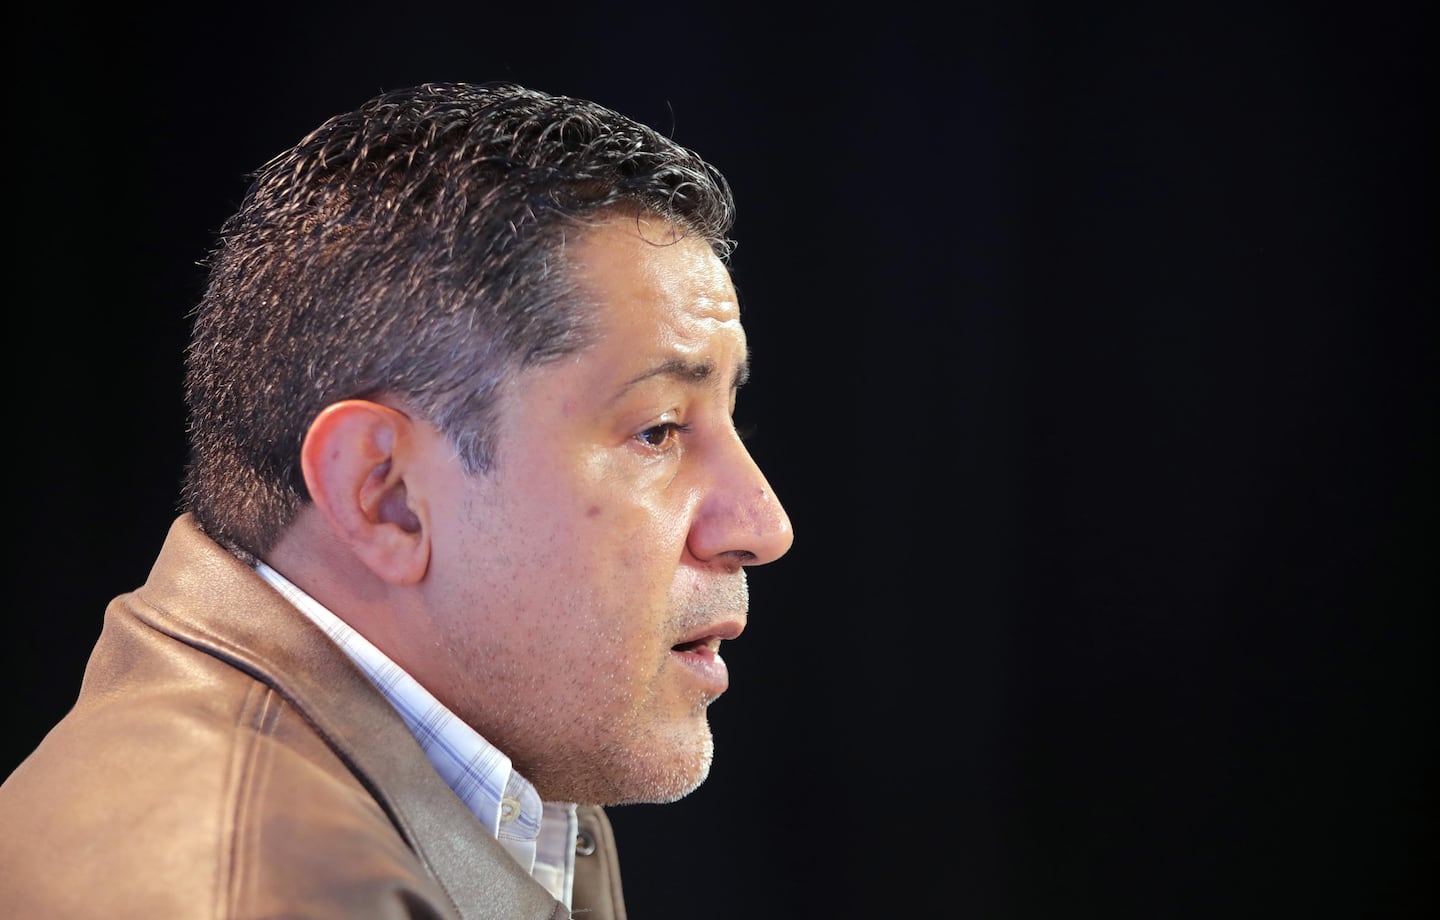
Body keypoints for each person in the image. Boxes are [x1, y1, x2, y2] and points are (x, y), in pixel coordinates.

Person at [0, 81, 793, 919]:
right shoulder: (247, 893)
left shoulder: (506, 773)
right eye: (658, 430)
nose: (764, 524)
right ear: (386, 496)